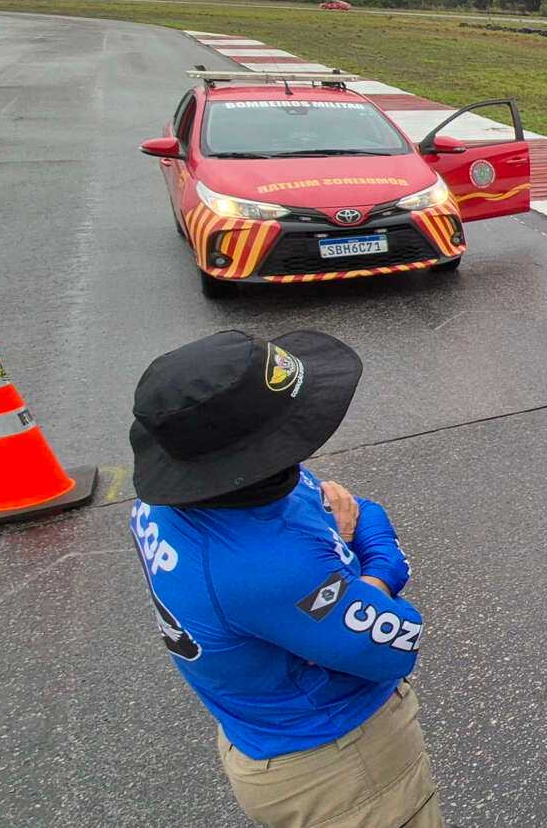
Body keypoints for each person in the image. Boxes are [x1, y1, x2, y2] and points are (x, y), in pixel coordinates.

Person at [127, 329, 440, 827]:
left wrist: (335, 557)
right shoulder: (272, 568)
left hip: (260, 722)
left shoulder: (165, 501)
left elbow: (330, 511)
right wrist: (374, 566)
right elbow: (394, 645)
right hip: (337, 763)